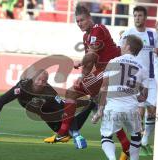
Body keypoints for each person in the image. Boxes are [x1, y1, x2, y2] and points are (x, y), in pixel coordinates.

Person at [50, 4, 132, 155]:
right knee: (106, 110)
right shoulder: (86, 36)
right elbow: (90, 63)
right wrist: (82, 77)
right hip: (106, 71)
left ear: (89, 18)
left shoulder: (98, 29)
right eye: (77, 22)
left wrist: (80, 62)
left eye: (82, 20)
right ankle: (126, 147)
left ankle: (63, 132)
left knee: (71, 93)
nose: (79, 24)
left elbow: (91, 55)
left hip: (112, 69)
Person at [0, 69, 96, 149]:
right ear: (33, 79)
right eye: (39, 80)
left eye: (44, 80)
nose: (42, 83)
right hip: (41, 112)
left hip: (49, 111)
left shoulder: (49, 92)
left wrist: (77, 134)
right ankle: (90, 104)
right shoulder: (22, 87)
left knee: (67, 127)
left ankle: (90, 104)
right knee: (65, 134)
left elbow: (66, 110)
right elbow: (0, 101)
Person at [92, 35, 148, 160]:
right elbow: (144, 96)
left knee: (106, 136)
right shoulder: (143, 67)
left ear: (128, 46)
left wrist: (100, 110)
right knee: (136, 135)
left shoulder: (113, 62)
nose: (121, 46)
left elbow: (104, 87)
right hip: (131, 108)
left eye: (123, 44)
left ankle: (112, 159)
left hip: (113, 107)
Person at [119, 6, 158, 157]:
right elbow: (120, 51)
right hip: (136, 79)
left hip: (151, 78)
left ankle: (144, 141)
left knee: (154, 112)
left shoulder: (153, 34)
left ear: (145, 17)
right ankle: (135, 146)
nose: (137, 18)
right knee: (139, 113)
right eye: (135, 15)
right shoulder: (128, 33)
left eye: (140, 15)